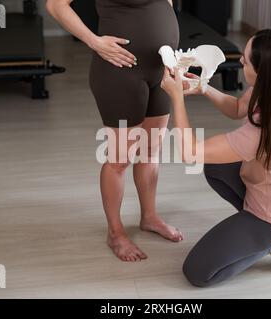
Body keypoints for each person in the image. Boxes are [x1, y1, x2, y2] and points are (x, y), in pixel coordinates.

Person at [161, 29, 271, 287]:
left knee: (196, 272)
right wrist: (203, 87)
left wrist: (176, 99)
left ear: (263, 72)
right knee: (216, 167)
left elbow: (189, 153)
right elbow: (238, 108)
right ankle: (259, 230)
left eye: (245, 60)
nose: (240, 61)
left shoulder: (258, 134)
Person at [46, 0, 183, 262]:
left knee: (151, 151)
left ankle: (150, 217)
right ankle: (115, 232)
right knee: (120, 159)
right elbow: (55, 5)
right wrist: (94, 41)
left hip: (162, 68)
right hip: (120, 71)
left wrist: (174, 54)